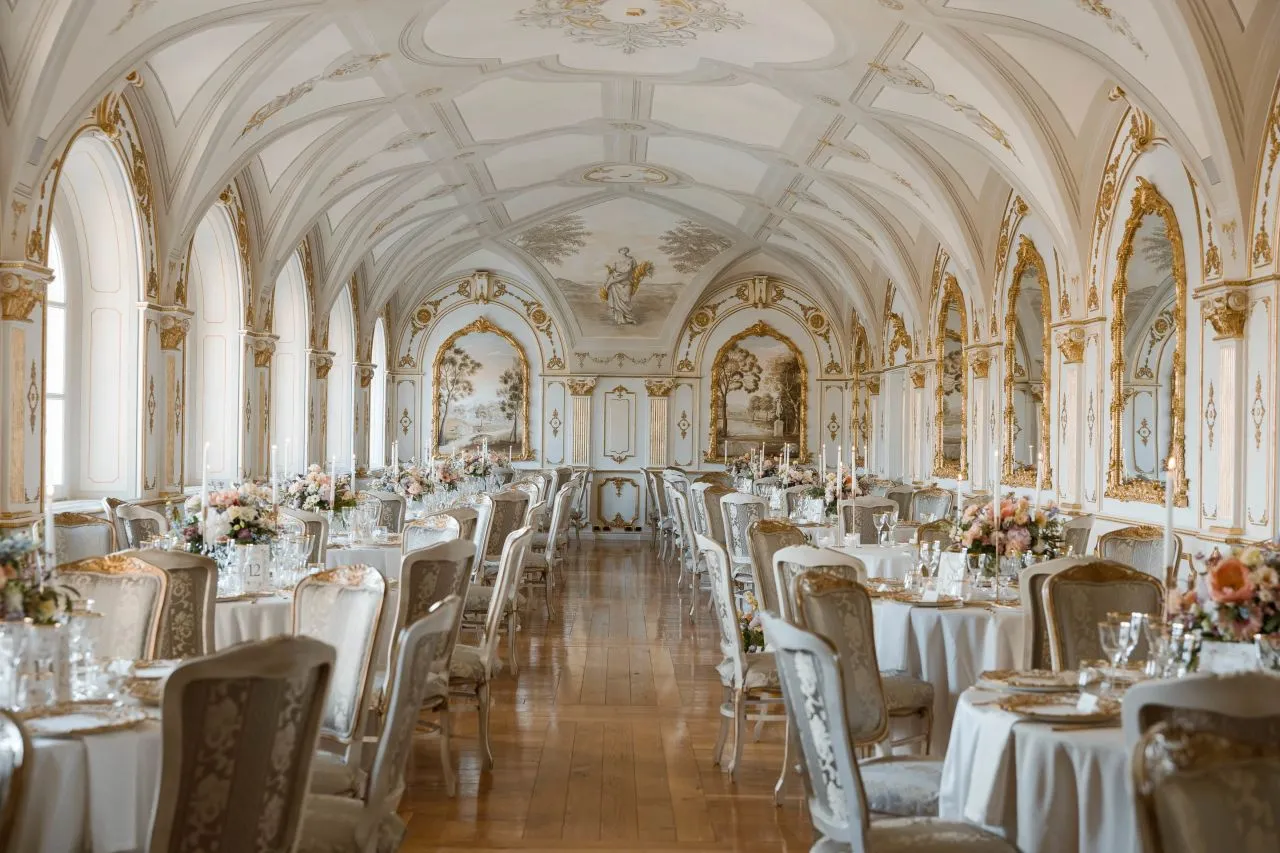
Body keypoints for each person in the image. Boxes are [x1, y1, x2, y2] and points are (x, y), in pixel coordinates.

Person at [603, 247, 639, 325]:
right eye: (622, 250)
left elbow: (635, 270)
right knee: (617, 302)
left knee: (627, 300)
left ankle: (629, 318)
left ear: (627, 251)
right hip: (616, 282)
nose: (624, 251)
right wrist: (607, 280)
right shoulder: (616, 260)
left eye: (625, 249)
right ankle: (620, 319)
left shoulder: (632, 259)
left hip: (627, 282)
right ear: (619, 251)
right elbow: (611, 270)